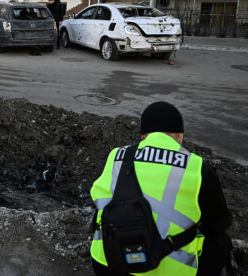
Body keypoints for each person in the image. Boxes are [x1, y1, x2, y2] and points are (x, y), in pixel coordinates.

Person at [90, 101, 233, 276]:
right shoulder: (197, 167)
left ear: (143, 136)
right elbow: (220, 222)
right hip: (166, 270)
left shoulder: (117, 156)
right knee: (220, 243)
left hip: (107, 263)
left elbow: (97, 200)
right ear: (179, 135)